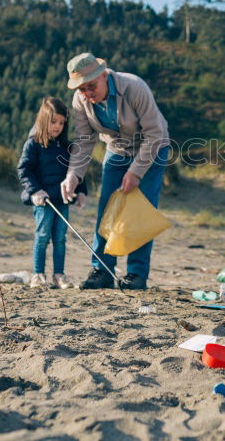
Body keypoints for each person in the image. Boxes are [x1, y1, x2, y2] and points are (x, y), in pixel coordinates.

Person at [60, 52, 171, 290]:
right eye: (82, 89)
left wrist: (136, 172)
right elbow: (83, 140)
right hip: (118, 149)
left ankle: (136, 274)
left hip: (152, 147)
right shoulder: (81, 101)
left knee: (139, 211)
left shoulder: (134, 87)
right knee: (107, 209)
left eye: (91, 86)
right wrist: (73, 175)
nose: (88, 93)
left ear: (104, 74)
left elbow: (155, 134)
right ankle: (102, 269)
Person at [16, 97, 87, 288]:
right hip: (43, 200)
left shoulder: (66, 146)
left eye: (62, 123)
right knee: (42, 236)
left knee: (60, 238)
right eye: (53, 122)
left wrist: (81, 191)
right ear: (43, 120)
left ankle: (59, 275)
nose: (57, 127)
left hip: (62, 200)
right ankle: (38, 274)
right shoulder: (34, 144)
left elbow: (76, 170)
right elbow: (24, 170)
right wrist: (35, 190)